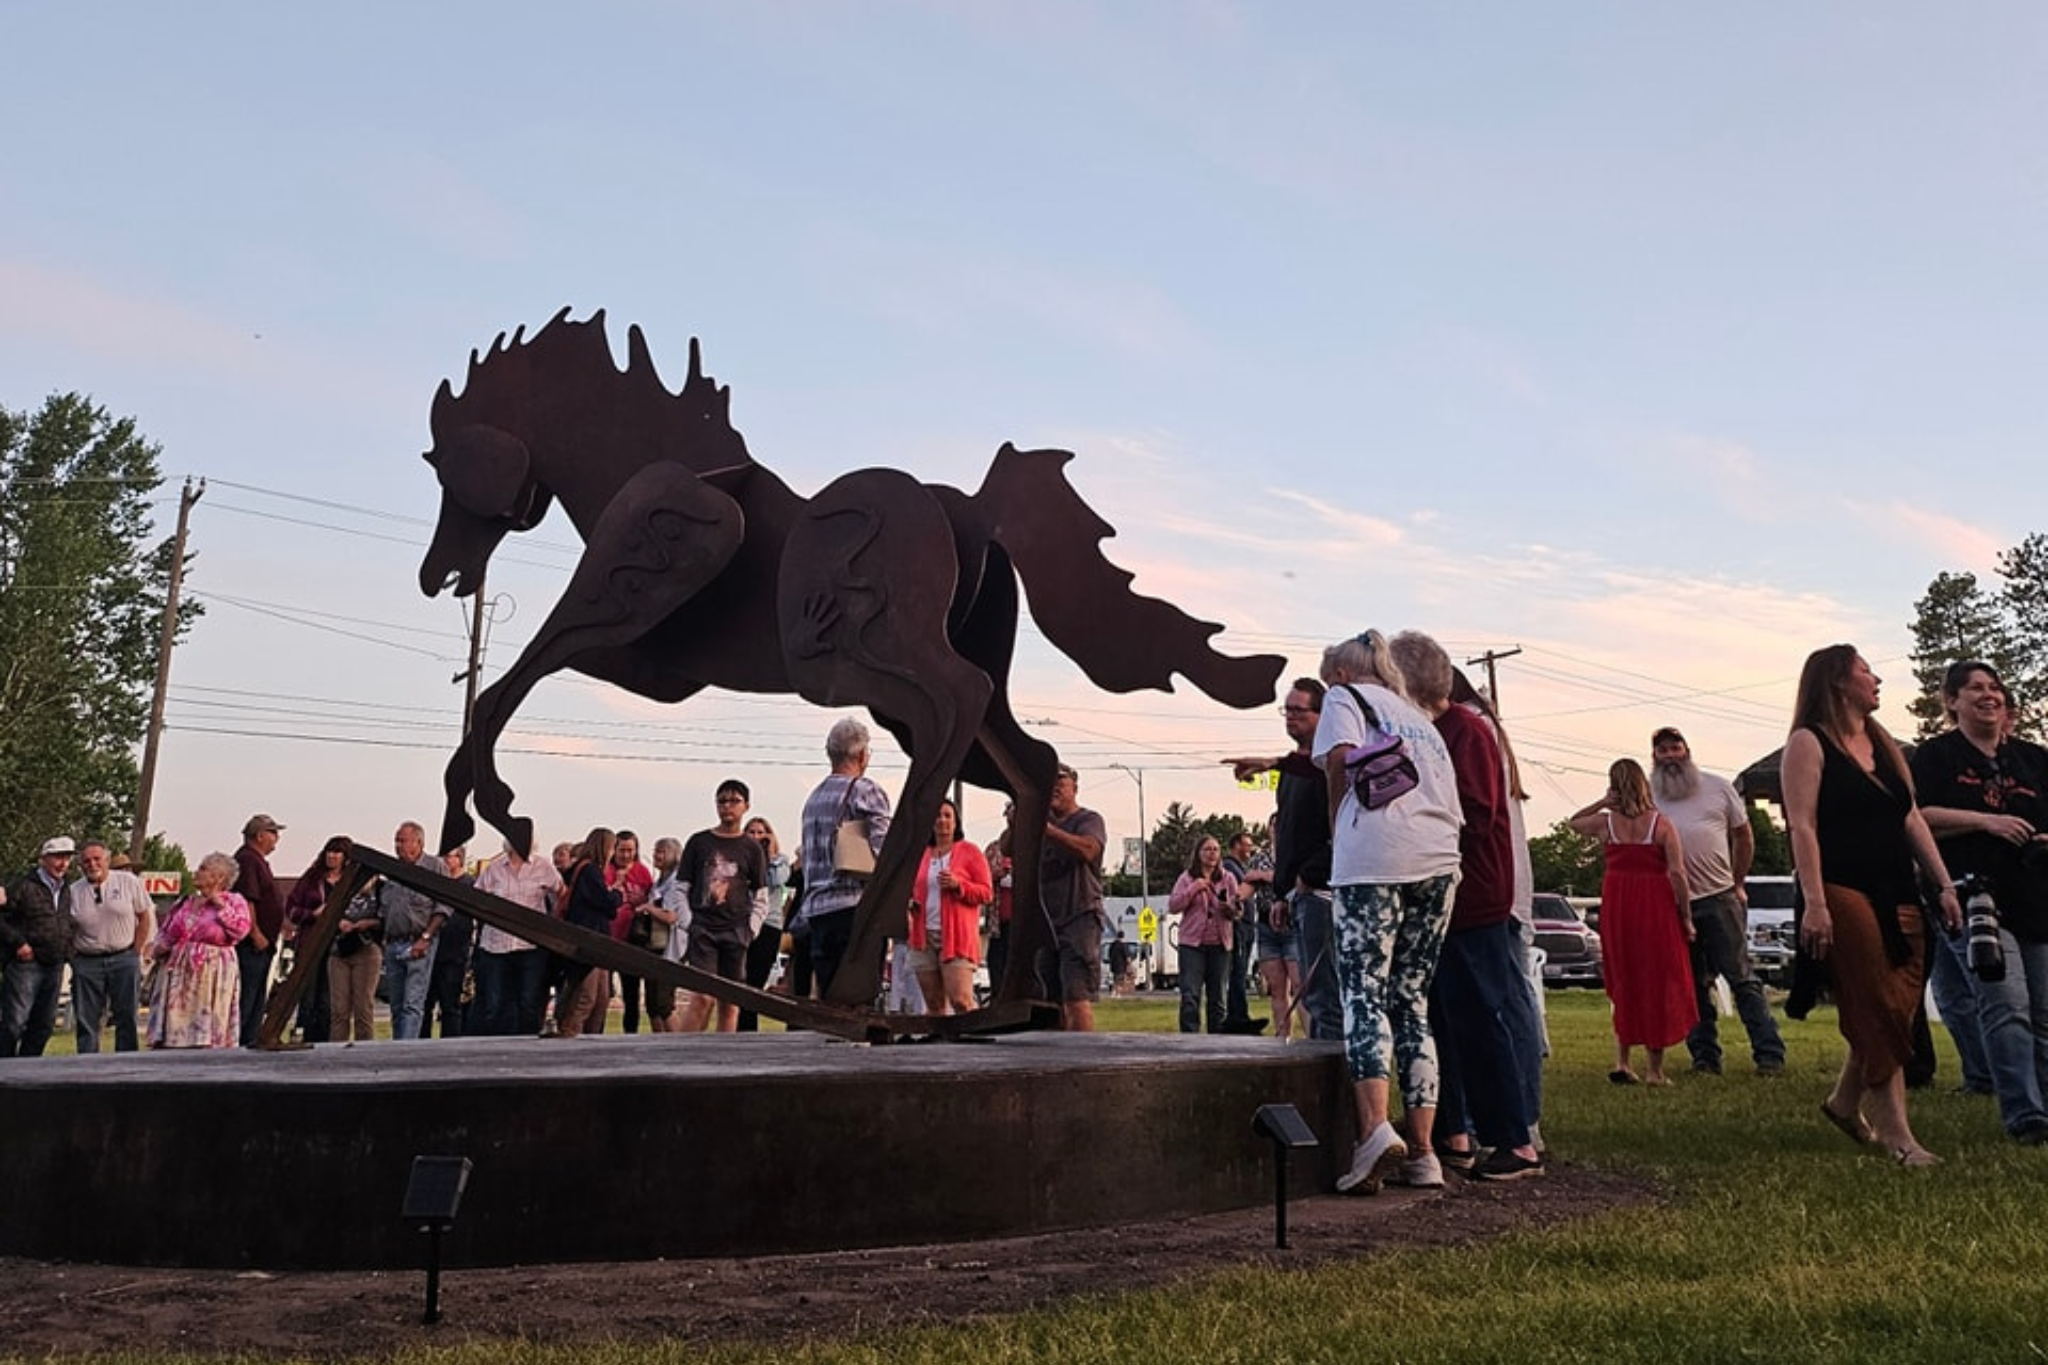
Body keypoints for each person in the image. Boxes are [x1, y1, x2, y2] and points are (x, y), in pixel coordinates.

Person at [1784, 645, 1962, 1166]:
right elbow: (1802, 825)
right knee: (1876, 1003)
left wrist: (1945, 884)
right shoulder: (1808, 742)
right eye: (1867, 671)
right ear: (1839, 681)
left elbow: (1911, 819)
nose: (1878, 679)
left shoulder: (1884, 745)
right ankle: (1898, 1137)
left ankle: (1844, 1101)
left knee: (1899, 1002)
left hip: (1897, 890)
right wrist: (1814, 901)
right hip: (1840, 887)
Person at [1311, 631, 1463, 1194]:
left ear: (1343, 673)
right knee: (1412, 1000)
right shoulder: (1418, 716)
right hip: (1441, 859)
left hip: (1374, 857)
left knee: (1363, 991)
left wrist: (1335, 832)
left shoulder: (1344, 698)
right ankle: (1424, 1152)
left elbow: (1338, 764)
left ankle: (1374, 1129)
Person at [1391, 630, 1544, 1183]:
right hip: (1440, 900)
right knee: (1440, 1017)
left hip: (1473, 897)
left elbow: (1475, 814)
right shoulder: (1431, 733)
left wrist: (1430, 856)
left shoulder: (1467, 733)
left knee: (1481, 1015)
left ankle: (1514, 1140)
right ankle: (1453, 1131)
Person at [1908, 660, 2048, 1145]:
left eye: (1995, 688)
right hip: (1972, 895)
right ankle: (2025, 1116)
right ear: (1951, 701)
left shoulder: (2034, 760)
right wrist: (1988, 822)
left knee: (2043, 1011)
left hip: (2035, 895)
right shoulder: (1934, 757)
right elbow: (1916, 815)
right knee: (2004, 1002)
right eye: (1974, 689)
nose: (1989, 696)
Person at [1650, 726, 1788, 1078]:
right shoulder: (1649, 794)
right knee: (1692, 984)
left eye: (1674, 747)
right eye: (1662, 750)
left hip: (1719, 897)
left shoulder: (1717, 787)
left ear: (1687, 750)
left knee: (1741, 977)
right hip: (1673, 903)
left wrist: (1738, 881)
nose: (1669, 756)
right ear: (1654, 756)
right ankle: (1705, 1059)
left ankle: (1769, 1054)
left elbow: (1743, 835)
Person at [1570, 759, 1697, 1086]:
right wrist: (1685, 915)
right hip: (1655, 905)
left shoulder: (1605, 823)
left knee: (1625, 979)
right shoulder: (1661, 824)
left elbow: (1574, 822)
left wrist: (1602, 801)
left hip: (1618, 905)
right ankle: (1655, 1070)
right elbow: (1678, 873)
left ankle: (1623, 1061)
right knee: (1657, 979)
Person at [1225, 677, 1335, 1041]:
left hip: (1322, 896)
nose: (1290, 717)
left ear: (1322, 715)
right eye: (1286, 710)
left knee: (1324, 997)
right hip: (1298, 898)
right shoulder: (1291, 772)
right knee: (1312, 994)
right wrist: (1286, 894)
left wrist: (1306, 879)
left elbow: (1337, 834)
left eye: (1299, 710)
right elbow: (1288, 836)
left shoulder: (1329, 767)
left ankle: (1336, 1080)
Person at [798, 718, 892, 998]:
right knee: (860, 999)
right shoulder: (866, 791)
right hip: (854, 908)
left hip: (817, 910)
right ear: (862, 755)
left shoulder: (813, 799)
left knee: (831, 998)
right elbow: (884, 852)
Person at [677, 781, 771, 1033]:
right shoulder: (699, 842)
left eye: (734, 801)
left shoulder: (751, 848)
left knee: (730, 1002)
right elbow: (681, 887)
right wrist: (688, 922)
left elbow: (760, 894)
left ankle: (723, 1057)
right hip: (703, 929)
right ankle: (683, 1053)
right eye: (722, 801)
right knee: (702, 996)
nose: (727, 806)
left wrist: (751, 928)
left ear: (746, 806)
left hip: (736, 929)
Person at [148, 852, 252, 1049]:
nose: (196, 872)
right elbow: (166, 932)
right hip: (179, 970)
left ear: (219, 877)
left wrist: (219, 904)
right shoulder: (185, 902)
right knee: (174, 1026)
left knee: (206, 1024)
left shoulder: (233, 901)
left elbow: (241, 930)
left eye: (203, 869)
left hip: (212, 970)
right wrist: (160, 947)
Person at [64, 839, 152, 1053]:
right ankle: (88, 1069)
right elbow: (66, 927)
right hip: (87, 960)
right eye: (86, 861)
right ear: (80, 865)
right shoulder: (73, 891)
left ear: (107, 860)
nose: (92, 865)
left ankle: (126, 1066)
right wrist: (73, 957)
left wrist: (136, 952)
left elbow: (144, 917)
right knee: (87, 1020)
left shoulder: (128, 881)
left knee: (126, 1017)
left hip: (123, 957)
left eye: (96, 859)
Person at [907, 798, 993, 1015]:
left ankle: (975, 1037)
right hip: (922, 934)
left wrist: (959, 885)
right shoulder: (920, 854)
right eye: (937, 815)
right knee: (934, 1003)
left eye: (947, 815)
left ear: (956, 823)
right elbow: (907, 888)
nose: (942, 820)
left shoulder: (970, 852)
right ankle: (939, 1046)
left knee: (961, 1001)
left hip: (956, 936)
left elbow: (986, 893)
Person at [1040, 763, 1108, 1032]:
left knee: (1076, 995)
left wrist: (1047, 830)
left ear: (1075, 788)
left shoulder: (1089, 820)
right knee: (1047, 1000)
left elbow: (1089, 850)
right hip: (1046, 920)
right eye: (1049, 783)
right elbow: (1009, 847)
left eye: (1061, 783)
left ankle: (1084, 1058)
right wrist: (1019, 819)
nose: (1054, 788)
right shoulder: (1039, 820)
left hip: (1079, 915)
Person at [472, 838, 562, 1037]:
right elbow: (475, 898)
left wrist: (550, 924)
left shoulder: (543, 866)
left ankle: (527, 1049)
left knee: (529, 1002)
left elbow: (561, 893)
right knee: (494, 1003)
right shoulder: (494, 868)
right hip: (495, 945)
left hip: (529, 945)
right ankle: (495, 1047)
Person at [1, 837, 78, 1058]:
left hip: (54, 963)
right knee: (15, 1022)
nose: (62, 863)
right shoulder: (23, 886)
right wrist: (19, 943)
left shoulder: (66, 888)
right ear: (43, 859)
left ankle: (28, 1073)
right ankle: (4, 1070)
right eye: (57, 858)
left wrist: (68, 952)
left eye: (67, 858)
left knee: (43, 1024)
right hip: (26, 963)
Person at [374, 821, 450, 1041]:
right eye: (396, 840)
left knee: (412, 1003)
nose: (398, 846)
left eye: (402, 840)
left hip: (418, 940)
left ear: (418, 842)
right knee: (396, 1004)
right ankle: (397, 1046)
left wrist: (426, 937)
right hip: (394, 942)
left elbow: (444, 905)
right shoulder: (393, 870)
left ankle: (405, 1049)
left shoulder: (435, 866)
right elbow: (384, 907)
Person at [282, 836, 353, 1044]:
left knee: (330, 996)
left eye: (337, 852)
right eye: (329, 851)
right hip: (310, 943)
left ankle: (326, 1038)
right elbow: (291, 909)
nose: (332, 856)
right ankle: (303, 1035)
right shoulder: (312, 878)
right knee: (308, 994)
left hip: (338, 945)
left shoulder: (350, 881)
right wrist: (313, 914)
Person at [556, 828, 624, 1038]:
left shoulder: (582, 870)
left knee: (602, 998)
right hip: (589, 939)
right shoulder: (589, 871)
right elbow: (604, 902)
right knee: (586, 996)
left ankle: (590, 1037)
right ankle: (569, 1033)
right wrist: (616, 893)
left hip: (595, 937)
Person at [1169, 835, 1240, 1034]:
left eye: (1216, 850)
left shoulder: (1228, 879)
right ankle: (1190, 1038)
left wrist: (1231, 908)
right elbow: (1173, 906)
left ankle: (1216, 1041)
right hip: (1192, 945)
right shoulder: (1186, 878)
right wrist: (1194, 889)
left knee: (1218, 997)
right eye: (1207, 849)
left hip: (1220, 944)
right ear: (1198, 853)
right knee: (1190, 995)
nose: (1212, 854)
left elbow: (1238, 910)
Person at [231, 813, 286, 1047]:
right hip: (253, 944)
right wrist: (255, 932)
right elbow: (248, 899)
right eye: (274, 833)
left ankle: (251, 1039)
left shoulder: (256, 860)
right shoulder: (248, 860)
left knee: (256, 999)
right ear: (260, 836)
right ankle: (243, 1041)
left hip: (263, 944)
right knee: (248, 997)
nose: (277, 839)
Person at [737, 817, 793, 1030]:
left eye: (761, 833)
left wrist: (767, 855)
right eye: (751, 832)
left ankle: (748, 1030)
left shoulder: (780, 860)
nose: (756, 837)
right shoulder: (739, 861)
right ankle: (740, 1030)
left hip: (769, 925)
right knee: (740, 980)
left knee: (755, 982)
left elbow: (776, 880)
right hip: (743, 922)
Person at [424, 846, 476, 1039]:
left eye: (448, 856)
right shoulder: (435, 882)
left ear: (459, 859)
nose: (444, 861)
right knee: (425, 1003)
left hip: (455, 952)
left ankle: (450, 1042)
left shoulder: (470, 884)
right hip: (432, 950)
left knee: (450, 1005)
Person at [607, 830, 655, 1034]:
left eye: (630, 851)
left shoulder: (642, 872)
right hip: (608, 938)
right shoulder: (605, 870)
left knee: (631, 993)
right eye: (622, 850)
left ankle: (631, 1034)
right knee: (602, 992)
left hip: (632, 938)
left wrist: (642, 903)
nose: (626, 855)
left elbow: (653, 899)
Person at [642, 836, 690, 1032]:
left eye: (661, 851)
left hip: (670, 948)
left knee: (664, 1001)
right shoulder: (658, 883)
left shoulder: (676, 882)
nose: (656, 855)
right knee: (652, 1004)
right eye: (655, 850)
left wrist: (649, 908)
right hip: (653, 946)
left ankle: (678, 1042)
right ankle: (658, 1040)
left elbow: (672, 916)